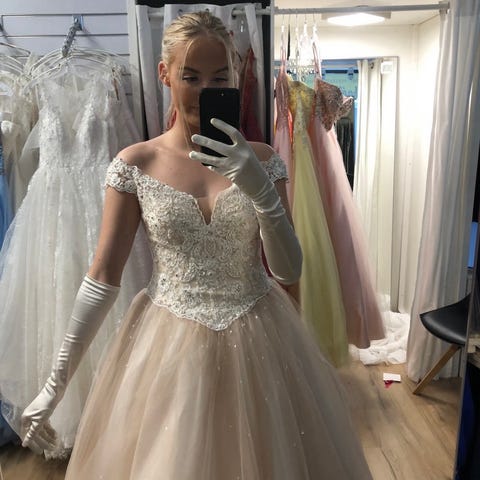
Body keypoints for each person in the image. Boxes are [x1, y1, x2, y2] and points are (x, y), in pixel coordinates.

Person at [20, 11, 373, 479]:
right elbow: (102, 276)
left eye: (219, 78)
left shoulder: (264, 159)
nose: (206, 89)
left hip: (260, 336)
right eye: (190, 77)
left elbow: (289, 270)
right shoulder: (136, 163)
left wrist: (260, 189)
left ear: (236, 79)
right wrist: (55, 384)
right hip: (167, 345)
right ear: (164, 74)